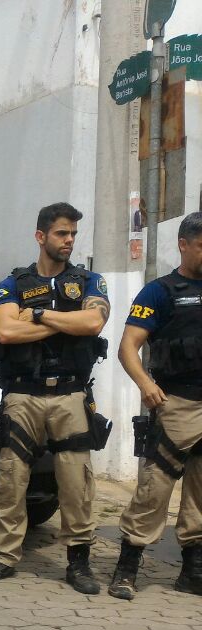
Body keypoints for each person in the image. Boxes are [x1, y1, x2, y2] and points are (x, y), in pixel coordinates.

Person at [0, 203, 109, 594]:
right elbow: (5, 333)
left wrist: (37, 317)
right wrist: (64, 324)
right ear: (41, 236)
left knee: (75, 481)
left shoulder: (88, 282)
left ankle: (78, 562)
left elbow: (93, 322)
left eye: (72, 234)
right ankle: (3, 556)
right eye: (61, 233)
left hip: (70, 394)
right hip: (22, 394)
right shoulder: (13, 284)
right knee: (10, 479)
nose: (69, 241)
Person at [108, 211, 202, 600]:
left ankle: (192, 570)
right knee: (154, 489)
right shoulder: (160, 291)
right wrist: (145, 384)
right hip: (175, 403)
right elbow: (128, 347)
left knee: (201, 492)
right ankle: (127, 568)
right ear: (183, 244)